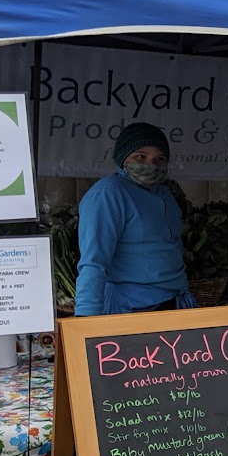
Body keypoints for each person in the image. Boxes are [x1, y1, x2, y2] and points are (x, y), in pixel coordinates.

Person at [74, 122, 196, 316]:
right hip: (132, 309)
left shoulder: (165, 195)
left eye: (159, 159)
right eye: (140, 157)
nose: (151, 165)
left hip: (175, 303)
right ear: (122, 157)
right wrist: (86, 318)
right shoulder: (109, 193)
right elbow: (93, 262)